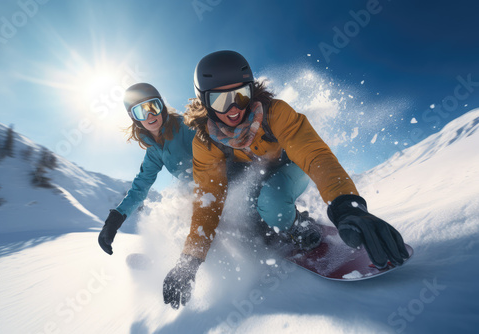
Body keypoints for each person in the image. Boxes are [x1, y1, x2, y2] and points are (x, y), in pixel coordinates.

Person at [162, 50, 410, 309]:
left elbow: (314, 154)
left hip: (290, 168)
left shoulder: (274, 114)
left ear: (251, 89)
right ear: (204, 101)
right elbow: (208, 201)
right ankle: (269, 226)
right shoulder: (206, 143)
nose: (234, 109)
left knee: (271, 203)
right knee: (243, 216)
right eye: (220, 100)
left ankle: (298, 226)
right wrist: (189, 260)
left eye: (241, 95)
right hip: (254, 177)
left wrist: (347, 204)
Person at [98, 83, 196, 255]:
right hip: (197, 192)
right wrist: (114, 219)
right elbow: (140, 187)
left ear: (162, 107)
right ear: (134, 118)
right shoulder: (154, 151)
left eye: (153, 106)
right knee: (180, 214)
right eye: (140, 111)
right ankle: (164, 256)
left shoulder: (185, 128)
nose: (149, 115)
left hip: (220, 183)